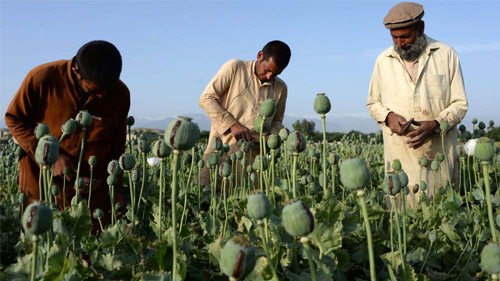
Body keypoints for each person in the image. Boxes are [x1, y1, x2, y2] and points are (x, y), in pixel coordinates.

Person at [5, 40, 130, 227]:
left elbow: (117, 145)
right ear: (76, 72)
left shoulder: (119, 93)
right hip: (41, 181)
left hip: (91, 188)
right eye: (94, 92)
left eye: (106, 90)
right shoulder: (41, 79)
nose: (102, 97)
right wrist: (50, 157)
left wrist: (116, 188)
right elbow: (14, 119)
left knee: (89, 245)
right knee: (43, 244)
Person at [366, 2, 468, 205]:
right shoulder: (383, 60)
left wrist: (436, 123)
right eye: (394, 37)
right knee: (402, 223)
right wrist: (388, 116)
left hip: (437, 156)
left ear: (420, 28)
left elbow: (460, 103)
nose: (400, 43)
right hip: (399, 157)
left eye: (405, 36)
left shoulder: (446, 55)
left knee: (439, 215)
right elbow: (372, 103)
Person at [199, 40, 291, 188]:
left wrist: (270, 137)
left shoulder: (281, 88)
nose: (269, 77)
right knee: (209, 199)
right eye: (267, 70)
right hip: (221, 153)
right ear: (260, 55)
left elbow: (277, 120)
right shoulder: (235, 68)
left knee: (245, 203)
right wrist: (232, 125)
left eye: (275, 74)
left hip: (254, 162)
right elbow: (206, 98)